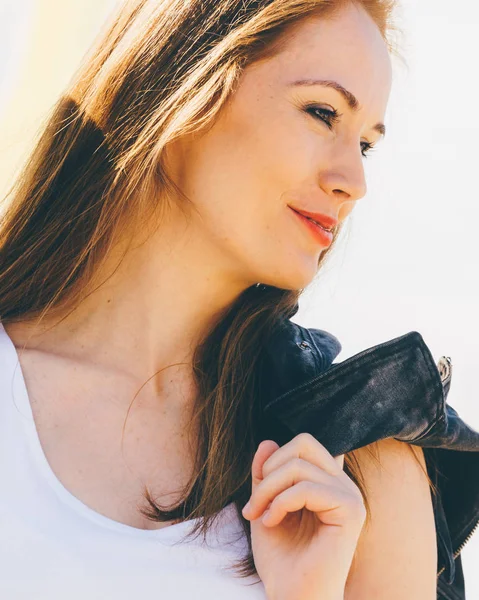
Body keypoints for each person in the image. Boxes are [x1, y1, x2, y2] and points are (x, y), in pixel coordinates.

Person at [0, 0, 444, 598]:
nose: (354, 183)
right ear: (185, 84)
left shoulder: (357, 462)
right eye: (322, 112)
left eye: (365, 144)